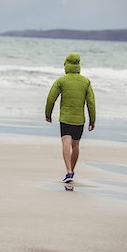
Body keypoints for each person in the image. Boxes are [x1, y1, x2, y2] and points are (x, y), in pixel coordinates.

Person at [45, 52, 96, 183]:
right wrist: (92, 120)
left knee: (66, 143)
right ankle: (71, 171)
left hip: (66, 118)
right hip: (79, 120)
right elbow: (91, 102)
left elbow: (51, 99)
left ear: (66, 65)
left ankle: (68, 171)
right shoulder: (86, 82)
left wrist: (48, 114)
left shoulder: (61, 80)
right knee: (76, 144)